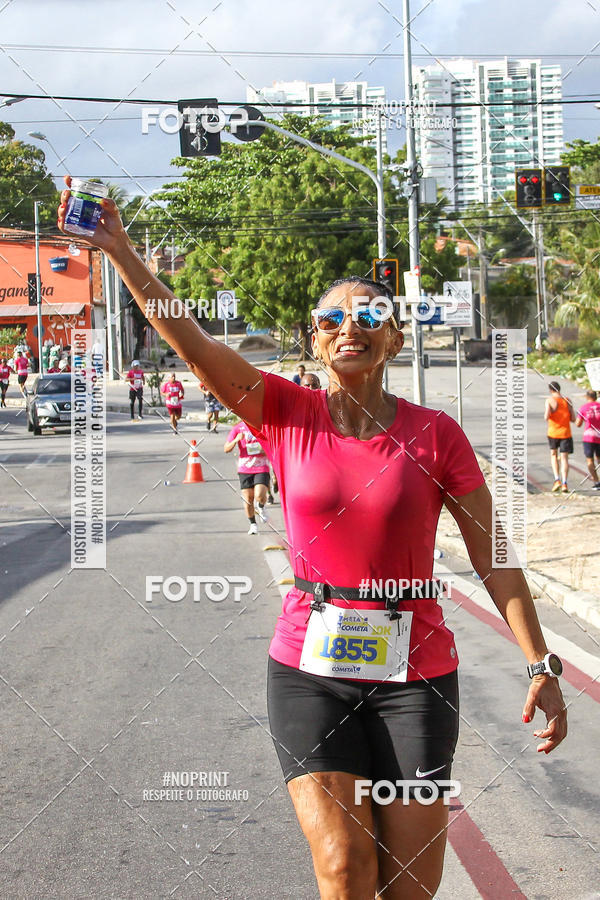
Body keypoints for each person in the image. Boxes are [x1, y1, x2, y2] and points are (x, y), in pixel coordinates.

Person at [58, 179, 567, 900]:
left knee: (411, 885)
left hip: (417, 677)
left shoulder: (437, 435)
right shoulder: (283, 411)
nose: (349, 327)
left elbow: (495, 557)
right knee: (343, 868)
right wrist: (119, 251)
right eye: (332, 319)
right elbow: (194, 344)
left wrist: (539, 662)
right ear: (314, 338)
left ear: (395, 337)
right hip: (310, 670)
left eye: (370, 316)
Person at [224, 420, 271, 534]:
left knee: (260, 495)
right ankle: (253, 524)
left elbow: (273, 445)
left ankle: (261, 506)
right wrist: (236, 440)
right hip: (245, 468)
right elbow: (226, 449)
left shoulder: (263, 426)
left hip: (261, 466)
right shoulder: (238, 428)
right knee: (248, 499)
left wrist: (265, 449)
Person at [544, 381, 576, 493]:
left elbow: (546, 416)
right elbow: (573, 419)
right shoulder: (567, 400)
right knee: (564, 458)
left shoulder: (549, 400)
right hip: (566, 433)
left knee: (553, 455)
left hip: (553, 432)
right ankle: (564, 483)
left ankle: (557, 479)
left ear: (550, 390)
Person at [575, 388, 600, 490]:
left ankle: (596, 481)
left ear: (587, 397)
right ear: (596, 397)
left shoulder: (583, 408)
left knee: (590, 460)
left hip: (589, 437)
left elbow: (578, 424)